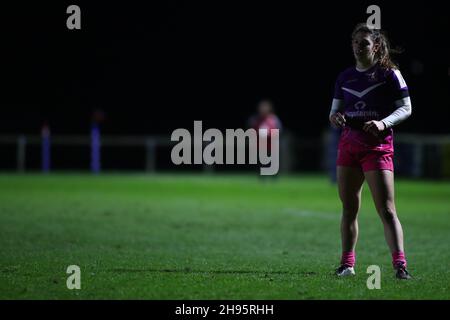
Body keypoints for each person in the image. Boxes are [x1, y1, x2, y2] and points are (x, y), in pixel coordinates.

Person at [329, 23, 412, 279]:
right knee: (349, 209)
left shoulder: (389, 74)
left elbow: (406, 108)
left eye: (363, 43)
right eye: (355, 43)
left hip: (377, 148)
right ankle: (347, 264)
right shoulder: (344, 77)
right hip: (349, 146)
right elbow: (334, 112)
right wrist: (336, 118)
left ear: (375, 46)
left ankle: (400, 266)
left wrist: (383, 123)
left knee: (387, 210)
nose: (358, 47)